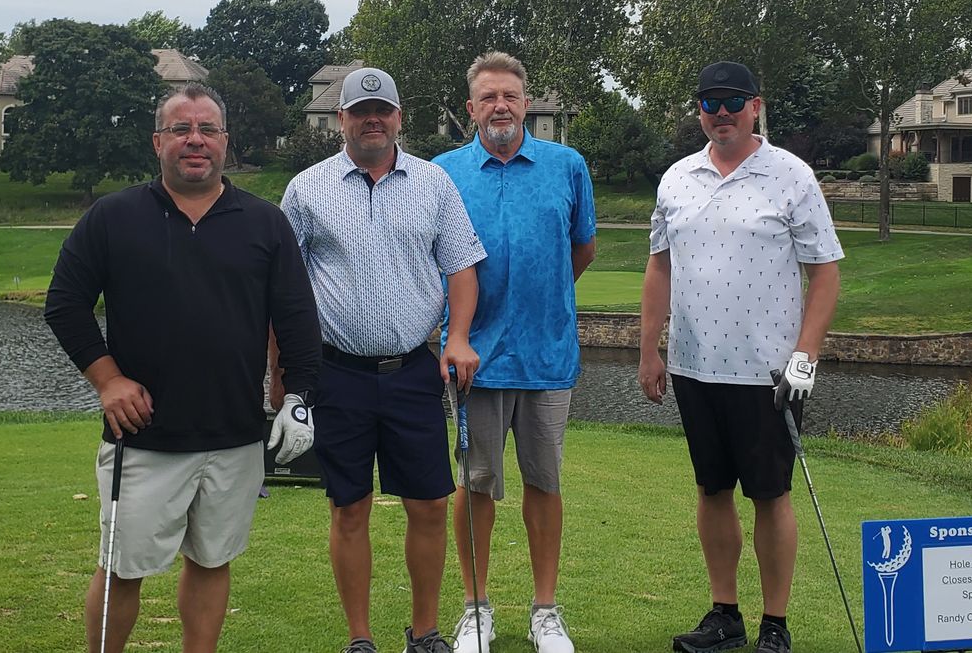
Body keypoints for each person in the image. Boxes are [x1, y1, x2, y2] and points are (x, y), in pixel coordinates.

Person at [44, 82, 323, 653]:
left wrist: (299, 397)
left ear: (225, 140)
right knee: (122, 568)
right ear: (158, 142)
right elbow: (65, 304)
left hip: (234, 435)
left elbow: (296, 320)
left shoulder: (265, 223)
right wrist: (108, 380)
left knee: (213, 561)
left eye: (207, 129)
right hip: (143, 436)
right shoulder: (114, 216)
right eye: (181, 129)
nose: (195, 140)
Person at [636, 61, 843, 653]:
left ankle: (775, 624)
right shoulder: (677, 178)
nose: (721, 113)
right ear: (700, 110)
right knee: (712, 489)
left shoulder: (792, 176)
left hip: (769, 372)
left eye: (732, 101)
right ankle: (725, 614)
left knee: (771, 495)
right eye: (710, 102)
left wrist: (806, 355)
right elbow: (659, 267)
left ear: (756, 106)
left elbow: (825, 272)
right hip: (694, 365)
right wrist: (649, 349)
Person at [282, 66, 488, 653]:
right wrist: (282, 374)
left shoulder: (433, 183)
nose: (372, 120)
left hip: (412, 371)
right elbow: (284, 287)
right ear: (341, 119)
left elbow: (461, 267)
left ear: (398, 117)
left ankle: (424, 633)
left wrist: (458, 336)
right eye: (360, 111)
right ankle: (360, 638)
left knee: (429, 504)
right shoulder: (306, 189)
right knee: (349, 508)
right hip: (336, 372)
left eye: (382, 111)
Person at [431, 52, 596, 653]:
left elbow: (582, 248)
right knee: (474, 484)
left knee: (544, 483)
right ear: (471, 108)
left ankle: (545, 610)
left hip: (547, 358)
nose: (500, 106)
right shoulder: (443, 172)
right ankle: (476, 609)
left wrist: (543, 298)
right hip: (474, 359)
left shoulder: (567, 165)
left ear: (526, 103)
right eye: (488, 98)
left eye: (510, 96)